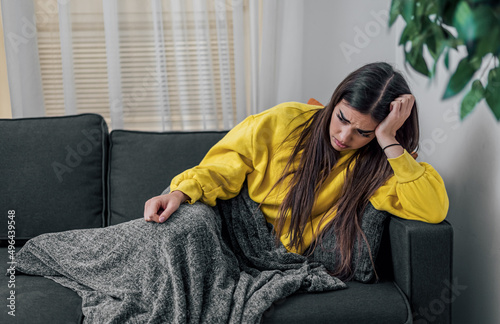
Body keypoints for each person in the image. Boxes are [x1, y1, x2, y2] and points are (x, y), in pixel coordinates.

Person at [143, 61, 449, 280]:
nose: (344, 137)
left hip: (271, 253)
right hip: (229, 218)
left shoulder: (377, 167)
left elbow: (432, 209)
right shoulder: (287, 119)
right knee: (176, 228)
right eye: (342, 118)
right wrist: (181, 192)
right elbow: (224, 166)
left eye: (363, 132)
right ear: (335, 101)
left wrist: (387, 140)